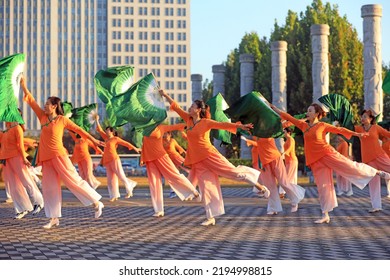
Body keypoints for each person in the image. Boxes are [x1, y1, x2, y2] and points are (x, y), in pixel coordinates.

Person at [159, 89, 270, 226]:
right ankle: (210, 217)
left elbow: (223, 125)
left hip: (210, 155)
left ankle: (260, 186)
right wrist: (165, 95)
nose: (190, 108)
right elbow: (176, 106)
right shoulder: (188, 120)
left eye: (193, 106)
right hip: (198, 160)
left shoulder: (206, 122)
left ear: (199, 110)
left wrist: (240, 126)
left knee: (234, 173)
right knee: (206, 188)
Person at [271, 103, 390, 224]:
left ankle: (377, 172)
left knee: (350, 166)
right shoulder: (303, 125)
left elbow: (339, 130)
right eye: (307, 111)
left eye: (310, 111)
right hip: (316, 161)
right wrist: (275, 108)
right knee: (323, 187)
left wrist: (357, 134)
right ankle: (325, 214)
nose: (307, 113)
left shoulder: (322, 125)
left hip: (328, 154)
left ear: (317, 114)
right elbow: (289, 117)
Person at [21, 77, 105, 229]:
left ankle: (97, 202)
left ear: (54, 106)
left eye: (47, 104)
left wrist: (94, 140)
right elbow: (32, 102)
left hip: (59, 155)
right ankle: (54, 218)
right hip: (46, 158)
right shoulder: (43, 117)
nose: (45, 106)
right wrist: (23, 85)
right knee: (49, 188)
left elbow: (79, 130)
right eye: (45, 104)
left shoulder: (62, 120)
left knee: (74, 180)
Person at [141, 123, 200, 217]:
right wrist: (142, 158)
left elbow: (175, 126)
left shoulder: (161, 127)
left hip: (161, 156)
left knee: (175, 175)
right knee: (154, 184)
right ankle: (159, 210)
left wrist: (188, 124)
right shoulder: (143, 129)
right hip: (149, 159)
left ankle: (193, 191)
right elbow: (144, 144)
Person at [0, 119, 44, 219]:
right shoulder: (5, 132)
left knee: (26, 181)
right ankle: (21, 208)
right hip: (7, 160)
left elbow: (20, 145)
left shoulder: (17, 128)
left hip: (17, 158)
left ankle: (39, 202)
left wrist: (24, 159)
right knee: (14, 186)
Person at [95, 115, 141, 202]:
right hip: (107, 161)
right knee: (110, 179)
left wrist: (135, 148)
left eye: (108, 131)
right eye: (106, 131)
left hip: (114, 159)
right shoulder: (106, 139)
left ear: (112, 132)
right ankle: (113, 195)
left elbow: (126, 143)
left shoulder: (115, 139)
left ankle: (129, 188)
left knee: (121, 176)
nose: (106, 132)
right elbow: (100, 130)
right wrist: (97, 120)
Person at [255, 137, 305, 215]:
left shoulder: (272, 130)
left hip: (275, 158)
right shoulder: (255, 130)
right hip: (264, 161)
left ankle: (295, 199)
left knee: (283, 182)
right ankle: (273, 208)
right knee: (270, 186)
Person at [355, 110, 390, 212]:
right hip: (368, 159)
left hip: (380, 156)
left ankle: (386, 175)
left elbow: (387, 134)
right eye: (362, 116)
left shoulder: (376, 127)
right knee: (373, 183)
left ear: (370, 119)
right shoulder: (358, 129)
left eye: (365, 116)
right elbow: (347, 129)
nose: (362, 118)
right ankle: (376, 206)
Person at [163, 131, 189, 198]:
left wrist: (185, 153)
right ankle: (173, 191)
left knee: (189, 169)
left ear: (170, 134)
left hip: (177, 158)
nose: (164, 135)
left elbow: (179, 147)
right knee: (173, 175)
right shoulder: (161, 141)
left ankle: (191, 185)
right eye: (163, 134)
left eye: (165, 134)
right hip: (169, 161)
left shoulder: (173, 141)